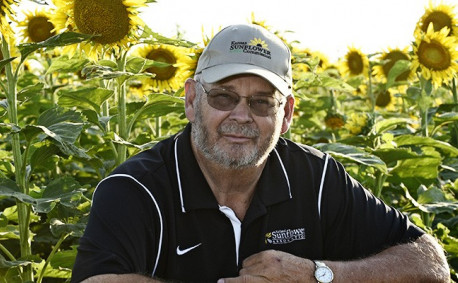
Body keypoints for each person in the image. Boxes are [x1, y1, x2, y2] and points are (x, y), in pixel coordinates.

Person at [71, 24, 449, 283]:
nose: (241, 116)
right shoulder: (136, 189)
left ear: (285, 115)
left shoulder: (315, 180)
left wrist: (318, 275)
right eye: (223, 97)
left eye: (261, 103)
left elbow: (429, 264)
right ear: (190, 100)